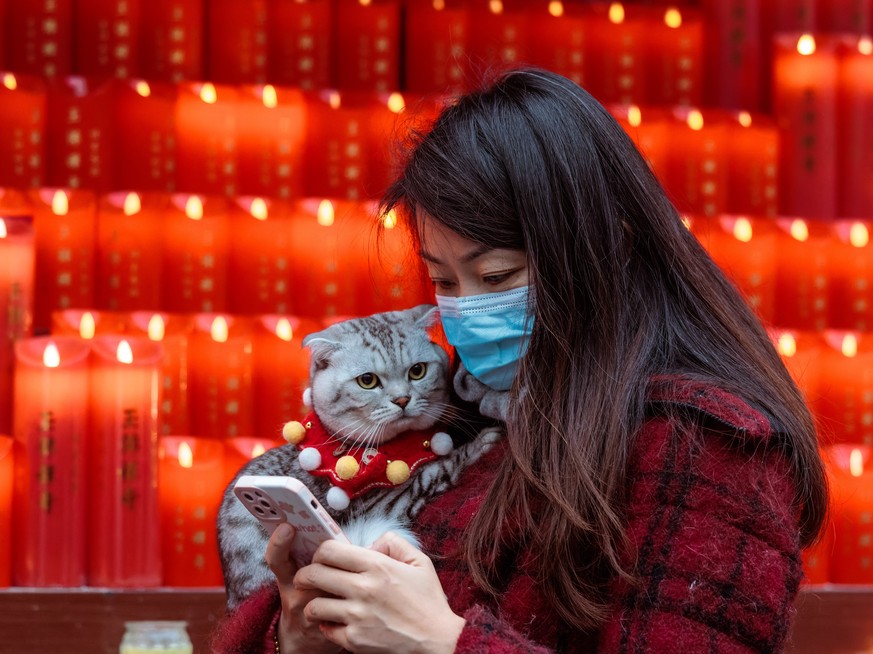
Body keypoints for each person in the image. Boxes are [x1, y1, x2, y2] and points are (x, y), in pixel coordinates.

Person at [212, 68, 827, 653]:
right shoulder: (464, 414)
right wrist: (297, 634)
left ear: (608, 248)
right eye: (444, 282)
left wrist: (441, 643)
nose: (467, 309)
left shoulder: (702, 444)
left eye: (496, 274)